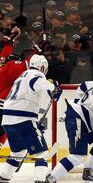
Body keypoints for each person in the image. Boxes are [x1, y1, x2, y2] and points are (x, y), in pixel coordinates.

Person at [0, 54, 62, 183]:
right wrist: (54, 88)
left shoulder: (21, 77)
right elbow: (36, 83)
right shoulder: (36, 74)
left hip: (7, 120)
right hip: (23, 118)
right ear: (42, 67)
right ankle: (40, 180)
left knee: (18, 152)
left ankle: (4, 177)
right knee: (42, 153)